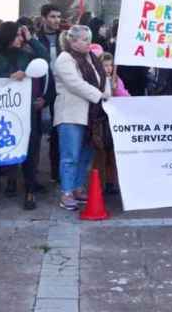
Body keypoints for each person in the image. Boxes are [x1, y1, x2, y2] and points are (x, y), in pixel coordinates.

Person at [0, 21, 48, 211]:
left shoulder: (27, 53)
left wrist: (31, 39)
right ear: (8, 36)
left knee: (31, 150)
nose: (20, 38)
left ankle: (29, 190)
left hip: (26, 110)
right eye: (17, 35)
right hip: (1, 110)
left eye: (21, 35)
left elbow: (44, 59)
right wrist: (9, 76)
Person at [52, 25, 111, 211]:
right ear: (72, 41)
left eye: (89, 38)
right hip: (71, 114)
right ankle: (66, 192)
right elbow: (75, 84)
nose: (88, 42)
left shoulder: (92, 58)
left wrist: (107, 93)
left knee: (86, 154)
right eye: (84, 39)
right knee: (70, 155)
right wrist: (99, 95)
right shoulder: (65, 59)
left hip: (91, 115)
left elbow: (104, 77)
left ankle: (78, 187)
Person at [37, 4, 64, 185]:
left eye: (58, 17)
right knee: (36, 132)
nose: (56, 20)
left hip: (62, 90)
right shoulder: (36, 38)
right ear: (44, 18)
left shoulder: (65, 38)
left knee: (57, 133)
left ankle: (56, 172)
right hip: (42, 88)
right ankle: (32, 174)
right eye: (53, 17)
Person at [96, 52, 127, 195]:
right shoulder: (98, 80)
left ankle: (111, 181)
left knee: (113, 153)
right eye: (105, 66)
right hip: (102, 120)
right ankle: (101, 183)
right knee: (102, 153)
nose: (108, 69)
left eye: (110, 66)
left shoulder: (117, 80)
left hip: (115, 120)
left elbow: (123, 94)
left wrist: (118, 90)